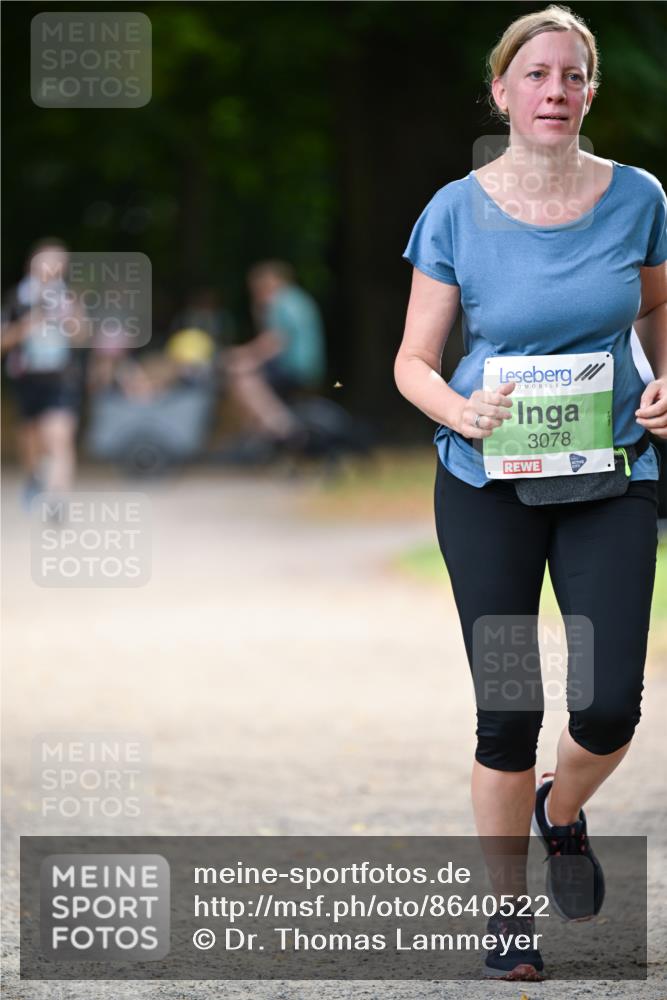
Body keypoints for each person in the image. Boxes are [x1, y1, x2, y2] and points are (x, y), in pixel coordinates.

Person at [394, 4, 666, 982]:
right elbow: (414, 361)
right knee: (505, 712)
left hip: (609, 477)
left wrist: (662, 378)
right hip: (485, 486)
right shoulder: (454, 210)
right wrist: (457, 412)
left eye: (573, 76)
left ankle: (562, 807)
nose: (555, 91)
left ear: (589, 92)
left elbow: (658, 303)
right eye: (537, 75)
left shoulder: (638, 197)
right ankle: (507, 917)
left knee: (608, 708)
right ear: (503, 89)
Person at [1, 239, 90, 503]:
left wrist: (72, 319)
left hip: (60, 377)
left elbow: (82, 337)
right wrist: (26, 326)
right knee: (31, 440)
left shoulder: (69, 298)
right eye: (47, 260)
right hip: (27, 379)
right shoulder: (16, 298)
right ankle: (33, 477)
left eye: (58, 261)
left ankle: (57, 498)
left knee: (59, 437)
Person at [222, 260, 326, 448]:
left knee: (242, 377)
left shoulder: (282, 301)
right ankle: (264, 434)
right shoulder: (297, 299)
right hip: (308, 367)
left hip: (293, 367)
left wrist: (244, 355)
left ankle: (284, 429)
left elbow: (277, 340)